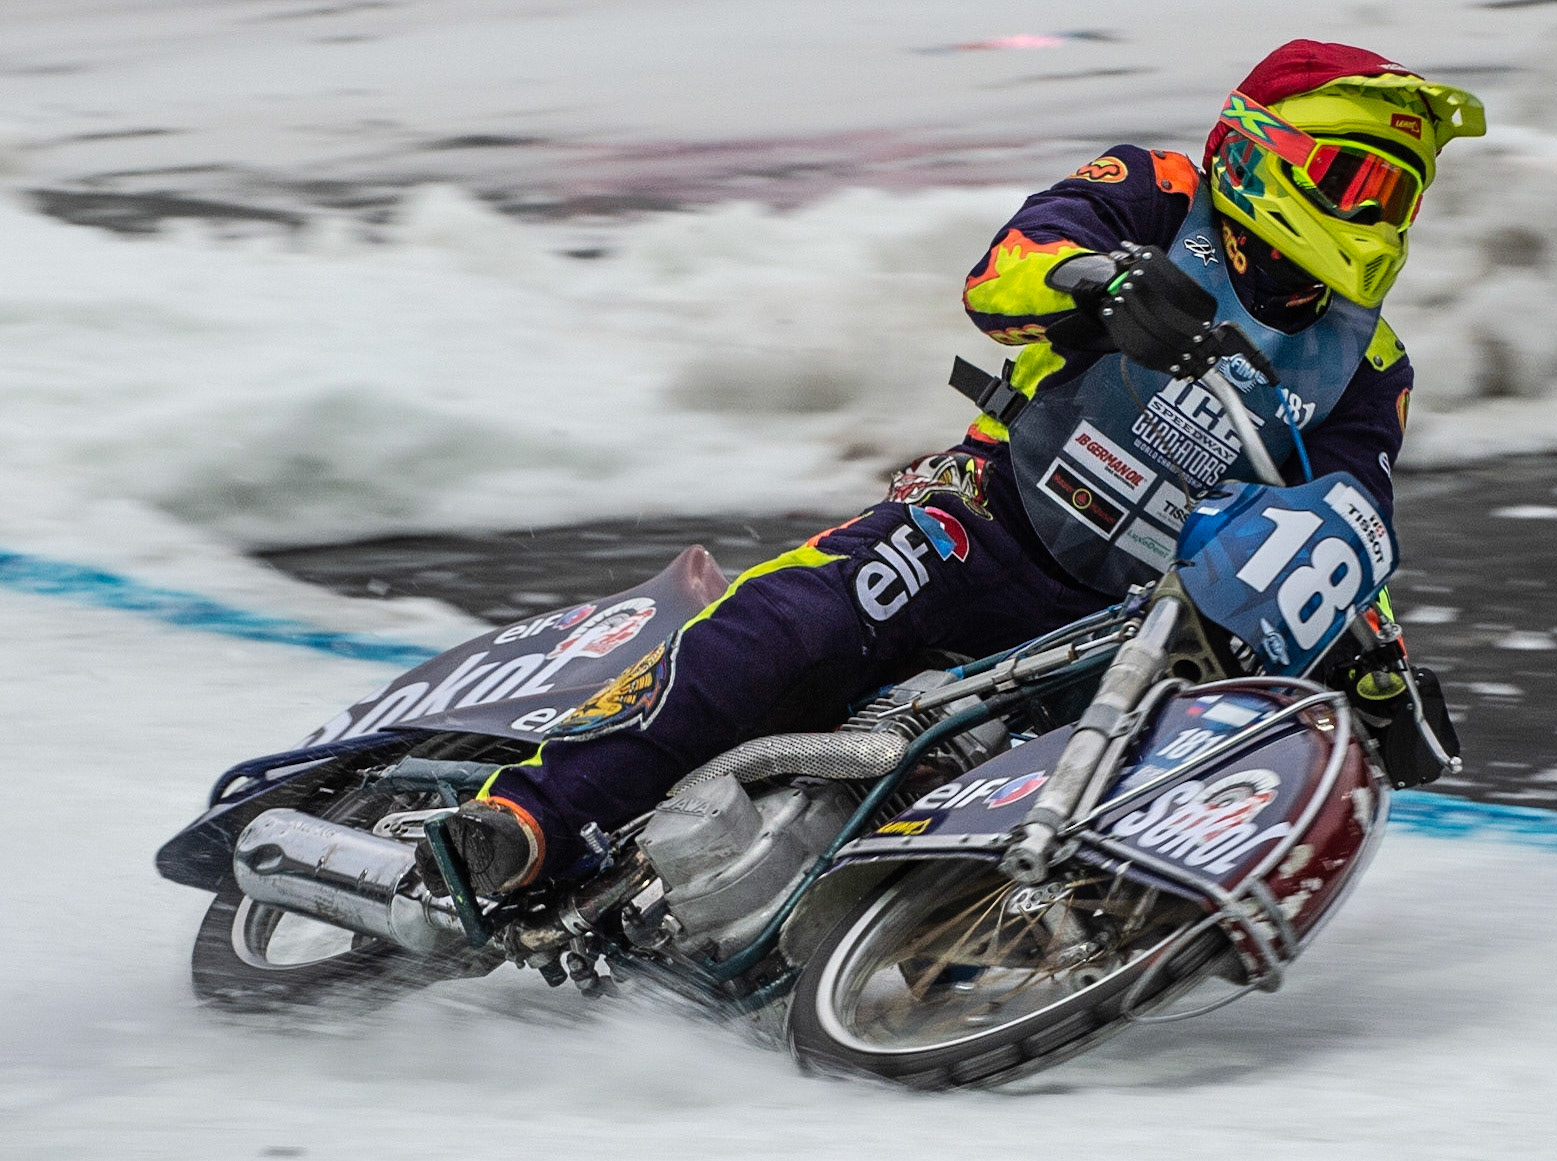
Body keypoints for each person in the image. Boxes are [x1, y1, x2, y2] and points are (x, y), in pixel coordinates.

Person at [415, 39, 1485, 896]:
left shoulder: (1369, 363)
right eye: (1350, 180)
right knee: (799, 625)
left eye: (1396, 198)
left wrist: (1376, 665)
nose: (1373, 218)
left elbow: (1341, 519)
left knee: (1150, 768)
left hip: (1120, 630)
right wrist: (1101, 282)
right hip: (986, 523)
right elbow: (1001, 274)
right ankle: (528, 819)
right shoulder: (1156, 192)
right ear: (1256, 155)